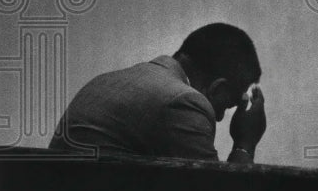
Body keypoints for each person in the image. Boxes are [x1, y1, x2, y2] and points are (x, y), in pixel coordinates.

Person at [49, 23, 266, 162]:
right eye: (225, 106)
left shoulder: (105, 81)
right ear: (219, 87)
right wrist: (245, 143)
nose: (217, 117)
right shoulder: (185, 102)